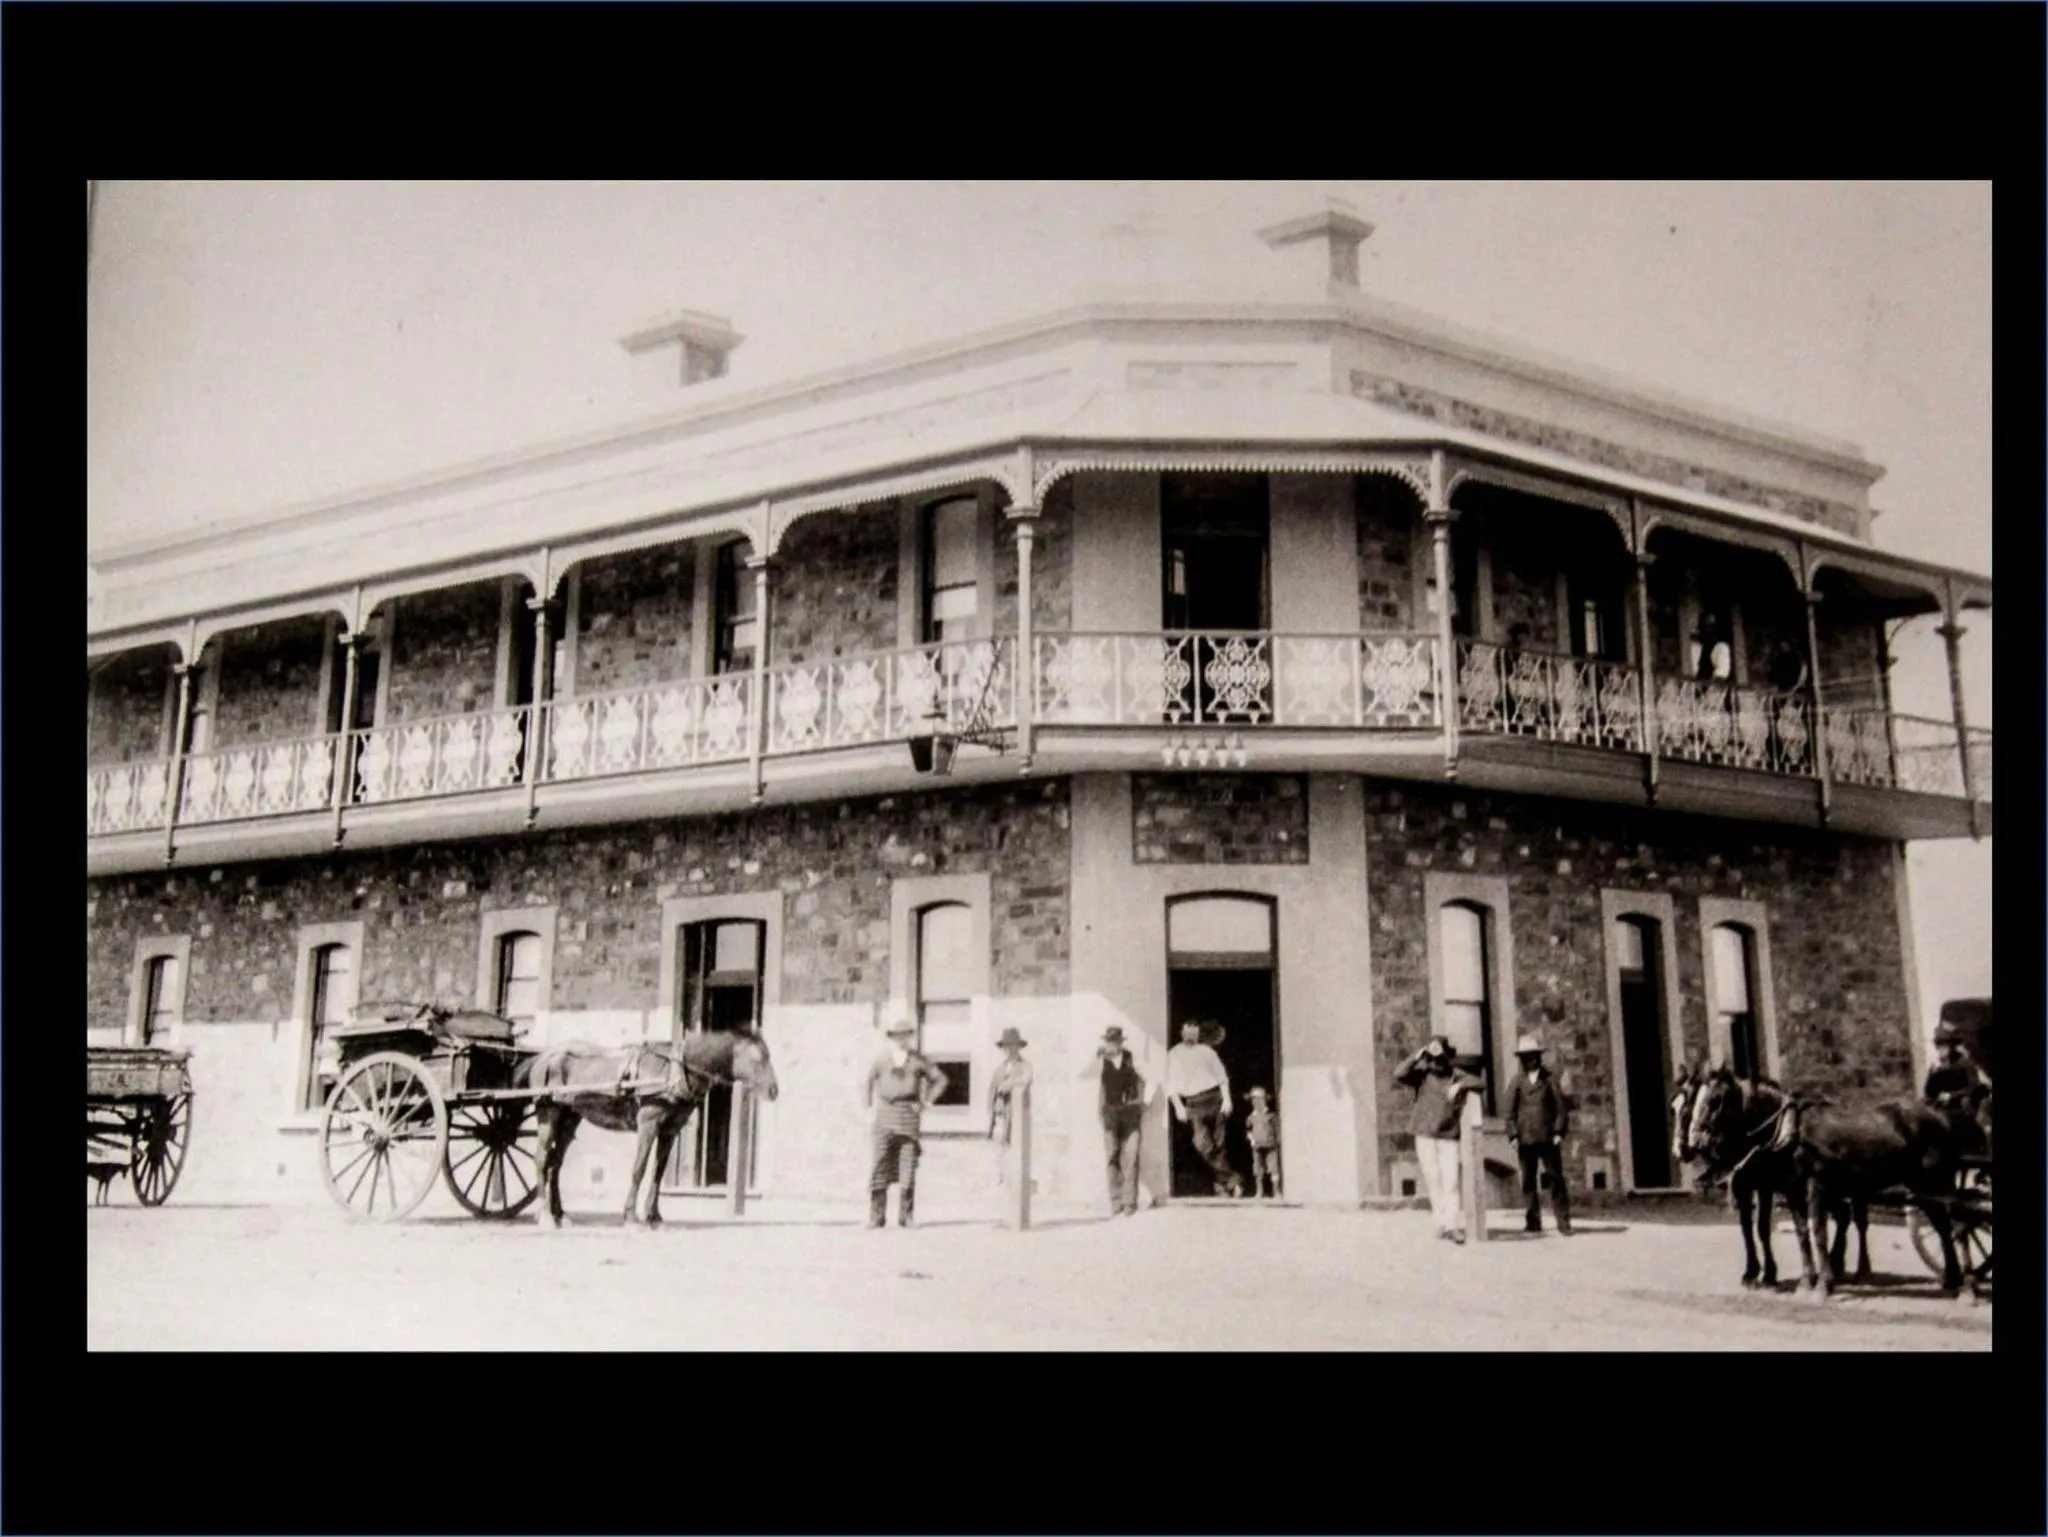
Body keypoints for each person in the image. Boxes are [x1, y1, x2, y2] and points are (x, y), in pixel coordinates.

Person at [1394, 1036, 1483, 1242]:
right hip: (1424, 1134)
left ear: (1446, 1057)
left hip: (1448, 1135)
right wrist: (1417, 1055)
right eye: (1432, 1058)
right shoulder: (1421, 1074)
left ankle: (1452, 1226)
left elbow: (1479, 1082)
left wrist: (1460, 1087)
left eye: (1439, 1057)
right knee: (1433, 1179)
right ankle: (1441, 1222)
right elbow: (1399, 1073)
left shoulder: (1455, 1074)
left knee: (1450, 1181)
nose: (1436, 1063)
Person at [863, 1019, 948, 1229]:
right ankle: (876, 1216)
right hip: (884, 1117)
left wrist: (927, 1101)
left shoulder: (918, 1060)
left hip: (908, 1118)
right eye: (897, 1036)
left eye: (905, 1036)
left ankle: (906, 1217)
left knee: (908, 1167)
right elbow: (868, 1082)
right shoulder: (881, 1060)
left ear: (910, 1037)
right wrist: (867, 1110)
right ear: (891, 1038)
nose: (901, 1040)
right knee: (880, 1164)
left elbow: (941, 1080)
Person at [1504, 1032, 1572, 1236]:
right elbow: (1509, 1111)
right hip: (1525, 1139)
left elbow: (1561, 1109)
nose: (1529, 1061)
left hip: (1548, 1138)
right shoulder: (1517, 1081)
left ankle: (1563, 1222)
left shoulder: (1549, 1079)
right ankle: (1532, 1221)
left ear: (1538, 1057)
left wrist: (1559, 1131)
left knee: (1555, 1179)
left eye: (1532, 1056)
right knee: (1528, 1181)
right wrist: (1513, 1135)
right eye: (1525, 1058)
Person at [1167, 1017, 1242, 1197]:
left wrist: (1227, 1099)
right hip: (1193, 1103)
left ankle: (1221, 1185)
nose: (1191, 1034)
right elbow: (1170, 1084)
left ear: (1198, 1033)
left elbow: (1222, 1076)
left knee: (1219, 1144)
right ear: (1181, 1032)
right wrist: (1178, 1106)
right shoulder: (1174, 1054)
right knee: (1202, 1143)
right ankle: (1231, 1178)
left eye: (1195, 1031)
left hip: (1214, 1098)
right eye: (1187, 1030)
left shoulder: (1207, 1051)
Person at [1092, 1025, 1149, 1216]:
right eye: (1109, 1041)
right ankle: (1115, 1202)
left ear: (1121, 1042)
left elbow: (1149, 1077)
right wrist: (1096, 1057)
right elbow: (1087, 1077)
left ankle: (1129, 1202)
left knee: (1131, 1155)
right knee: (1112, 1155)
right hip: (1110, 1113)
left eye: (1116, 1041)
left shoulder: (1132, 1058)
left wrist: (1143, 1102)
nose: (1112, 1044)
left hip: (1130, 1113)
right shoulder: (1101, 1060)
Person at [986, 1027, 1033, 1186]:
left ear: (1018, 1047)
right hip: (1000, 1114)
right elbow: (992, 1088)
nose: (1008, 1050)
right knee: (999, 1148)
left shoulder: (1025, 1065)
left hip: (1017, 1115)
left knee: (1017, 1148)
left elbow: (1026, 1079)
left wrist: (1010, 1084)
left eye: (1012, 1046)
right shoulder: (1000, 1067)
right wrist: (991, 1111)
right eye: (1005, 1046)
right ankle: (1000, 1177)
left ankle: (1016, 1179)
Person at [1245, 1086, 1281, 1200]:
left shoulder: (1271, 1116)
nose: (1256, 1102)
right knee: (1258, 1169)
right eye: (1253, 1100)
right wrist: (1251, 1139)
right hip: (1257, 1146)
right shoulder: (1251, 1117)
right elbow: (1248, 1130)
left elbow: (1277, 1129)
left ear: (1265, 1100)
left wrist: (1276, 1141)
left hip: (1270, 1146)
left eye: (1259, 1099)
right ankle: (1259, 1192)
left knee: (1273, 1168)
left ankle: (1276, 1191)